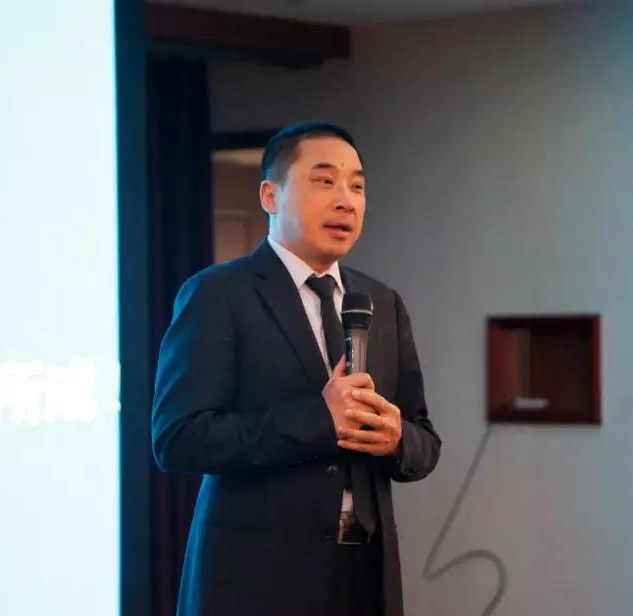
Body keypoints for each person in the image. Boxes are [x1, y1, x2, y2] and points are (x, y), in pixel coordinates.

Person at [151, 121, 441, 616]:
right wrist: (319, 420)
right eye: (325, 181)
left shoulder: (381, 302)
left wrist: (397, 439)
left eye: (357, 186)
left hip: (363, 578)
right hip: (256, 582)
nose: (346, 200)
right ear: (270, 195)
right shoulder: (218, 295)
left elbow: (424, 440)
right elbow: (178, 438)